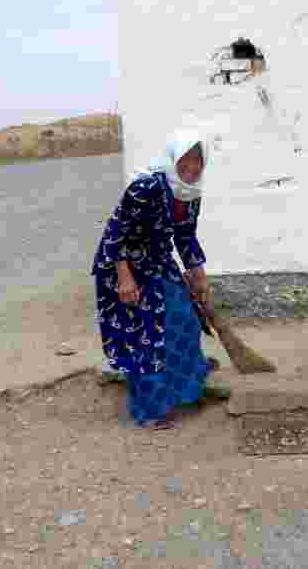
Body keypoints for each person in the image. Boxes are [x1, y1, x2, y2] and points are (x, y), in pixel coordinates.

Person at [91, 129, 229, 429]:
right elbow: (116, 234)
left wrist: (200, 278)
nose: (192, 167)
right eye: (186, 160)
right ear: (173, 158)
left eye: (198, 161)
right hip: (122, 262)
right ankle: (151, 410)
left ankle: (187, 388)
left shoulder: (191, 195)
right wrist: (124, 279)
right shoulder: (146, 187)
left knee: (185, 319)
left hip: (156, 259)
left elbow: (185, 236)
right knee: (147, 334)